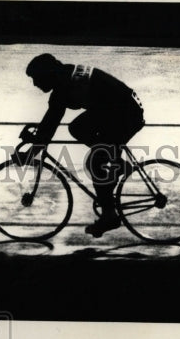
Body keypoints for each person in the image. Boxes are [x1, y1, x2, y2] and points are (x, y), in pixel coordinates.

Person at [20, 53, 145, 238]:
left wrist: (30, 153)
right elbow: (49, 123)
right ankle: (116, 162)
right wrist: (39, 136)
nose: (35, 84)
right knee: (77, 128)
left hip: (124, 114)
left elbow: (50, 125)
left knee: (95, 163)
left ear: (48, 73)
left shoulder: (62, 87)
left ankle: (110, 215)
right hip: (121, 108)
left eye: (36, 78)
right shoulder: (66, 74)